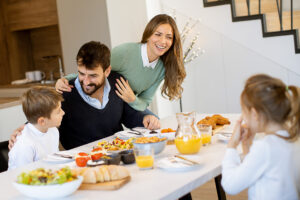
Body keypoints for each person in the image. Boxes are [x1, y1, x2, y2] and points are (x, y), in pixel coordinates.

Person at [9, 41, 160, 150]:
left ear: (107, 71)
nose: (86, 81)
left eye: (93, 76)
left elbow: (129, 114)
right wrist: (25, 131)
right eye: (81, 74)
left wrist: (144, 118)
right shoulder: (67, 94)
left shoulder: (117, 82)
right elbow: (44, 119)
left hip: (117, 152)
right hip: (82, 161)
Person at [55, 14, 186, 112]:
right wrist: (65, 79)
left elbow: (145, 101)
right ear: (148, 35)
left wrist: (133, 99)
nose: (163, 41)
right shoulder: (125, 52)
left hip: (129, 108)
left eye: (169, 37)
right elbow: (95, 71)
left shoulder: (162, 68)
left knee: (157, 125)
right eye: (158, 34)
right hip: (110, 107)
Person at [221, 74, 300, 199]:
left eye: (243, 111)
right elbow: (256, 170)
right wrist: (247, 146)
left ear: (254, 114)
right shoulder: (293, 138)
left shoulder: (265, 147)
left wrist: (232, 146)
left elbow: (230, 185)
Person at [8, 86, 64, 169]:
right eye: (58, 111)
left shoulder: (53, 130)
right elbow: (22, 174)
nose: (63, 112)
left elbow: (55, 160)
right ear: (42, 121)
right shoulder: (25, 143)